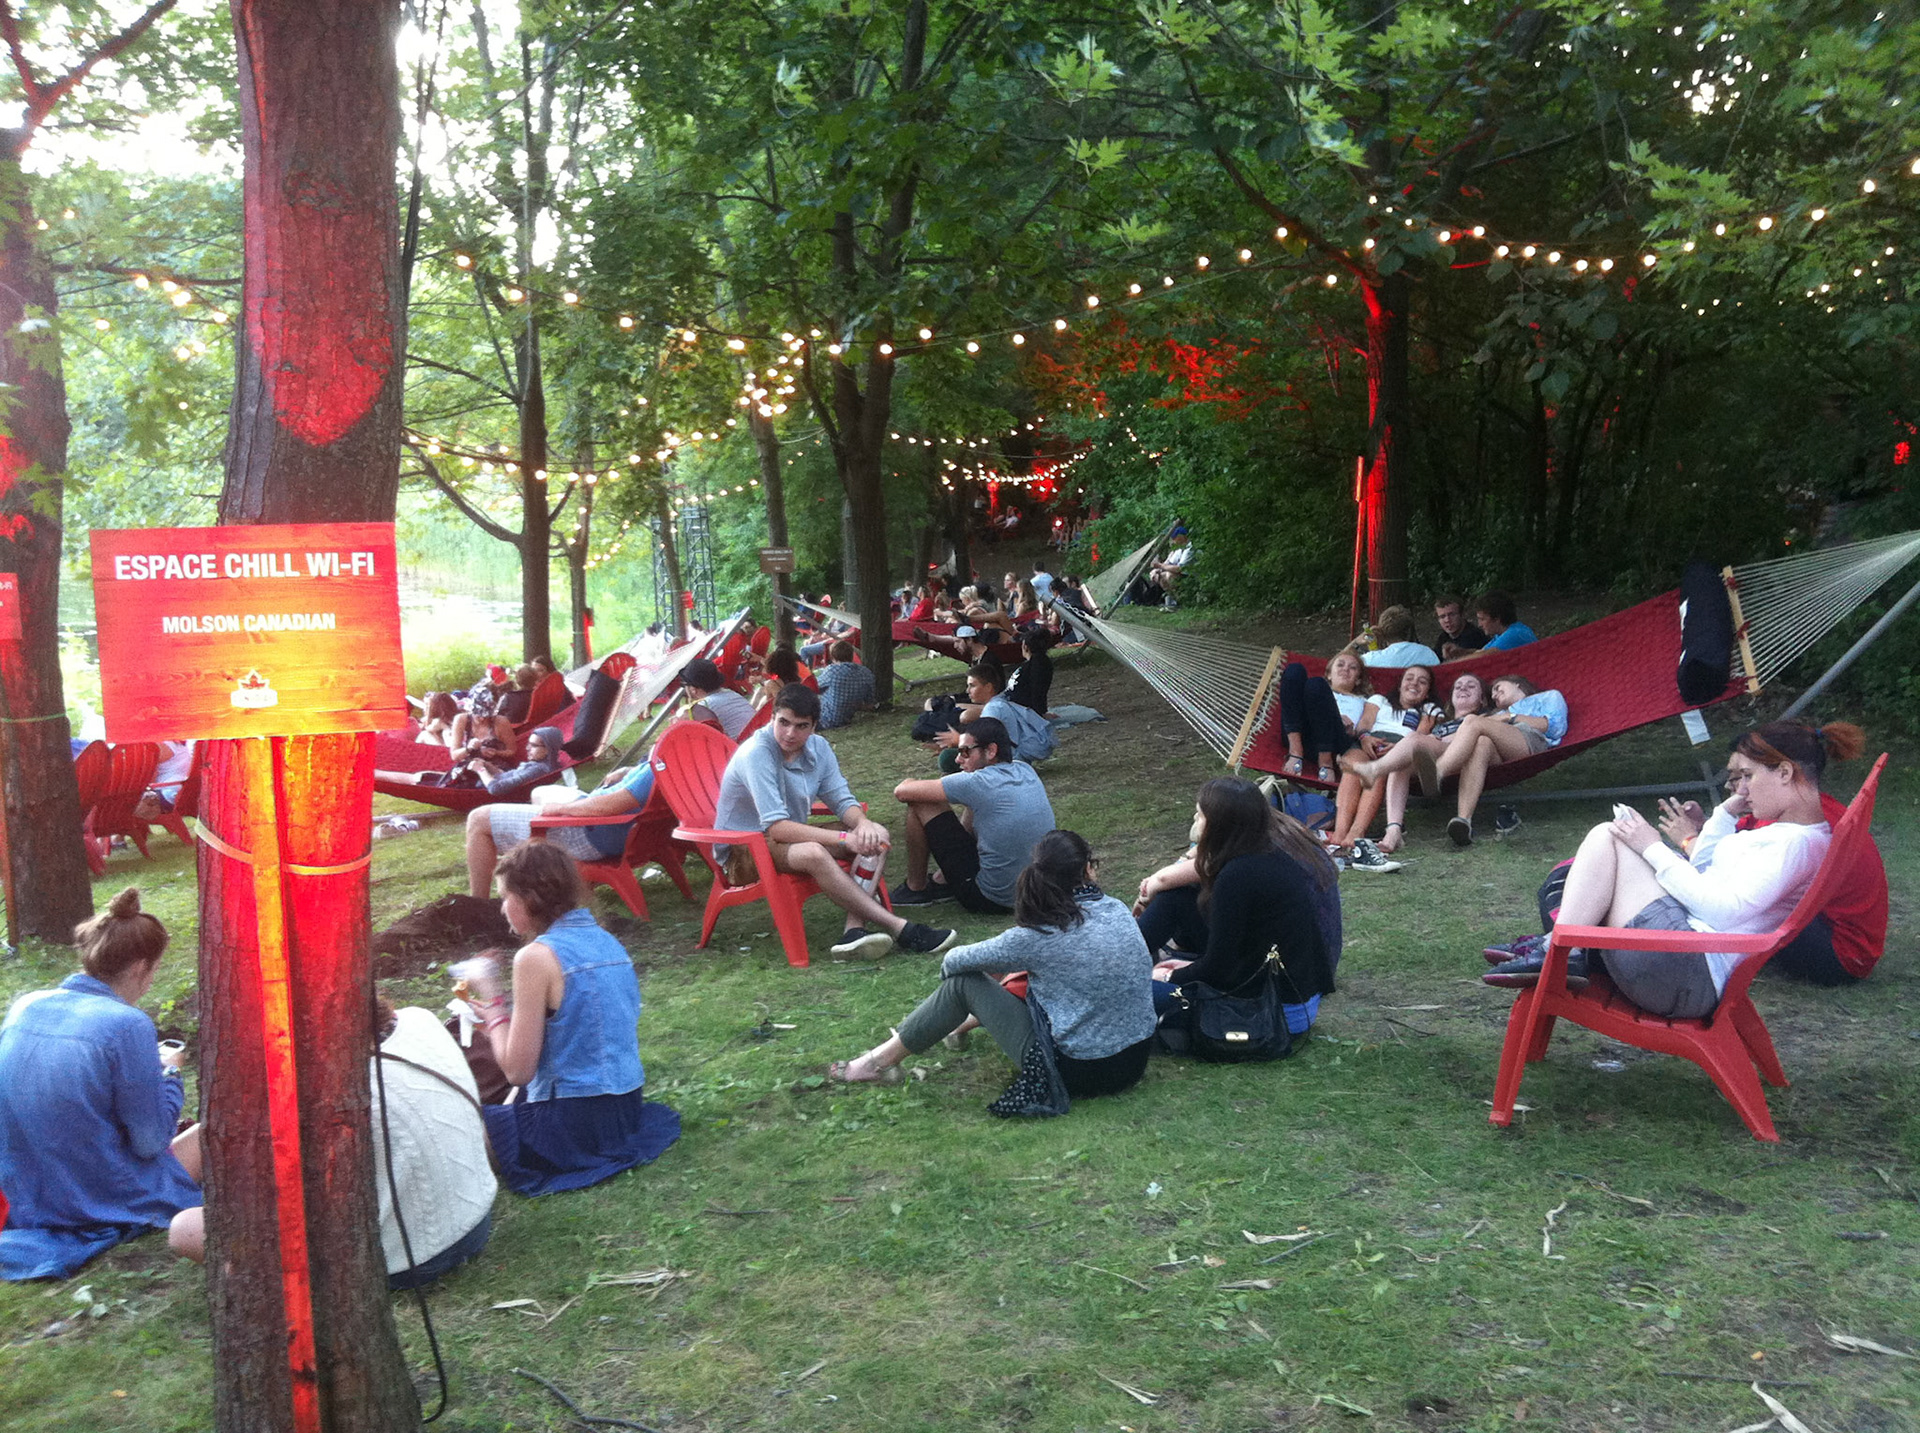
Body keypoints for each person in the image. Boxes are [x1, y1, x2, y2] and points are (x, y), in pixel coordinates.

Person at [1483, 723, 1862, 1015]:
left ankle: (1562, 947)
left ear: (1784, 773)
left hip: (1683, 972)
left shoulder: (1794, 845)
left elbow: (1721, 909)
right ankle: (1563, 947)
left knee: (1610, 836)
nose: (1742, 790)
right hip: (1684, 958)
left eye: (1748, 776)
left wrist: (1651, 848)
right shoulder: (1791, 833)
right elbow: (1705, 867)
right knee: (1615, 839)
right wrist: (1724, 814)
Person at [172, 998, 497, 1287]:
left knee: (185, 1228)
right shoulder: (419, 1019)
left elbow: (267, 1201)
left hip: (405, 1261)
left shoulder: (331, 1103)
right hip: (474, 1222)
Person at [827, 830, 1155, 1103]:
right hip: (1135, 1060)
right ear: (1088, 870)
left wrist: (988, 977)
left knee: (963, 985)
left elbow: (954, 962)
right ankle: (950, 1030)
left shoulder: (1038, 935)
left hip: (1081, 1073)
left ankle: (878, 1063)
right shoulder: (1115, 909)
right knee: (1026, 973)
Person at [0, 890, 203, 1280]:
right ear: (141, 967)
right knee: (214, 1131)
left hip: (29, 1193)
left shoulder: (26, 1004)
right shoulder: (127, 1025)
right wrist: (171, 1074)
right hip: (98, 1195)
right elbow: (150, 1142)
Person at [459, 843, 679, 1195]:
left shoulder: (535, 957)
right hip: (625, 1107)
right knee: (501, 1101)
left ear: (530, 897)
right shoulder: (608, 942)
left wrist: (493, 1001)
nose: (502, 908)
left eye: (505, 897)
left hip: (575, 1120)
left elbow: (518, 1072)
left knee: (459, 1130)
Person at [715, 683, 956, 960]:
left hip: (784, 839)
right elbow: (777, 827)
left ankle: (854, 930)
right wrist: (844, 838)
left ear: (814, 726)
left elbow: (841, 800)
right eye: (783, 723)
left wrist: (862, 824)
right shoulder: (757, 752)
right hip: (743, 850)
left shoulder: (818, 748)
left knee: (876, 837)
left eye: (801, 726)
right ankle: (900, 928)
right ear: (772, 717)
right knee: (814, 851)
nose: (790, 733)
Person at [1133, 777, 1341, 1037]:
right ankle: (1126, 959)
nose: (1195, 824)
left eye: (1199, 816)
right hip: (1287, 988)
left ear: (1219, 824)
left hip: (1274, 1010)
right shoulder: (1264, 850)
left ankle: (1122, 971)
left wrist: (1170, 978)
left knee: (1134, 993)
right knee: (1175, 898)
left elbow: (1219, 969)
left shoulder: (1238, 875)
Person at [890, 716, 1056, 913]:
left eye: (965, 752)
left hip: (992, 899)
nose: (958, 759)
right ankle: (943, 880)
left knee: (921, 801)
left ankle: (915, 888)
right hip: (1035, 892)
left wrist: (910, 779)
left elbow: (901, 792)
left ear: (991, 751)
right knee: (968, 802)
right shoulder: (1025, 769)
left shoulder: (978, 783)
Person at [1343, 672, 1492, 853]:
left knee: (1414, 739)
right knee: (1403, 762)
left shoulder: (1487, 719)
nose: (1463, 688)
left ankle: (1374, 770)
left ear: (1483, 700)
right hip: (1438, 752)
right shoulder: (1441, 721)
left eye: (1471, 686)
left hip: (1465, 754)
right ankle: (1393, 831)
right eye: (1458, 686)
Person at [1324, 665, 1442, 870]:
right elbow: (1365, 723)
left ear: (1428, 691)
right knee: (1354, 769)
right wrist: (1365, 738)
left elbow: (1420, 738)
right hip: (1369, 740)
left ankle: (1357, 833)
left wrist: (1398, 748)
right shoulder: (1380, 700)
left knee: (1378, 774)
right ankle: (1340, 834)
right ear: (1400, 684)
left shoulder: (1429, 710)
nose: (1414, 683)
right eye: (1409, 678)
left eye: (1422, 681)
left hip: (1400, 747)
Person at [1427, 675, 1567, 845]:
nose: (1494, 694)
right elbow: (1463, 735)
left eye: (1497, 687)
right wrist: (1429, 740)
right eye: (1492, 692)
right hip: (1502, 748)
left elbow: (1553, 727)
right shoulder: (1496, 715)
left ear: (1517, 683)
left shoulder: (1548, 696)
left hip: (1531, 740)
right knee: (1481, 743)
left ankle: (1436, 774)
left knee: (1472, 721)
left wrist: (1510, 717)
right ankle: (1464, 821)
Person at [1276, 650, 1374, 784]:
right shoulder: (1313, 689)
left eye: (1353, 668)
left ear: (1358, 680)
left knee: (1316, 685)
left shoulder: (1364, 701)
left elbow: (1366, 725)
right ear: (1328, 674)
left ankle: (1325, 761)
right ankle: (1295, 751)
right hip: (1300, 735)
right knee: (1295, 670)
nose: (1345, 669)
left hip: (1335, 742)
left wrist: (1355, 731)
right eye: (1340, 665)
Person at [930, 663, 1056, 765]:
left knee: (947, 759)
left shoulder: (994, 708)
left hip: (1011, 762)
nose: (968, 691)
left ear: (988, 687)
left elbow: (982, 742)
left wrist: (957, 740)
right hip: (1012, 758)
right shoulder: (998, 703)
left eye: (972, 686)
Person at [681, 657, 755, 738]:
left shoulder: (703, 708)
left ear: (693, 689)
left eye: (684, 685)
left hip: (741, 745)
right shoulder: (730, 693)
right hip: (755, 737)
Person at [1346, 605, 1441, 668]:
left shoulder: (1370, 659)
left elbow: (1337, 663)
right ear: (1409, 631)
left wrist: (1356, 642)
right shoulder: (1426, 653)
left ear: (1382, 633)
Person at [815, 639, 878, 729]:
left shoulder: (832, 671)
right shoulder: (866, 672)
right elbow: (870, 703)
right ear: (852, 655)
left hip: (826, 720)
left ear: (832, 657)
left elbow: (813, 687)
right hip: (846, 718)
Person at [1003, 628, 1055, 716]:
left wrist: (1039, 713)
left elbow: (1038, 690)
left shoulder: (1038, 664)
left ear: (1025, 647)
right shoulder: (1035, 662)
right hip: (1010, 703)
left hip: (1018, 709)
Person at [1433, 595, 1487, 660]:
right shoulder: (1443, 638)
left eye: (1452, 615)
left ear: (1462, 615)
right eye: (1442, 617)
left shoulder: (1475, 635)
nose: (1447, 620)